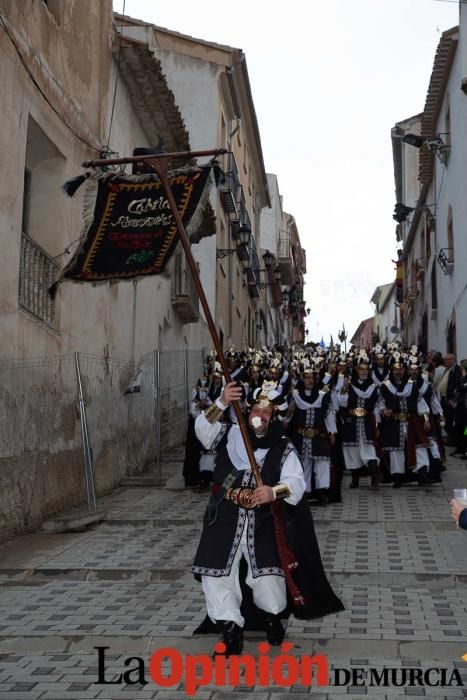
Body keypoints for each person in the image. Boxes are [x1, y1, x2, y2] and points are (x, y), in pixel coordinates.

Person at [191, 381, 344, 655]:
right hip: (223, 519)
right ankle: (229, 631)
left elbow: (296, 484)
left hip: (262, 523)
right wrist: (221, 402)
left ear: (275, 417)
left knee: (267, 578)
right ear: (247, 411)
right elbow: (202, 431)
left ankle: (273, 618)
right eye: (255, 409)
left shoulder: (283, 447)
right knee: (214, 575)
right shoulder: (230, 434)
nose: (259, 415)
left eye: (267, 411)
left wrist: (273, 492)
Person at [337, 353, 380, 489]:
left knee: (369, 451)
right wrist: (343, 388)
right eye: (361, 369)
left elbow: (376, 406)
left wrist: (377, 423)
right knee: (352, 452)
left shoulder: (372, 387)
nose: (364, 371)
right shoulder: (349, 385)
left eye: (366, 369)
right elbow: (342, 403)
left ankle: (374, 479)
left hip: (366, 423)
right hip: (352, 423)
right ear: (356, 370)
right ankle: (355, 479)